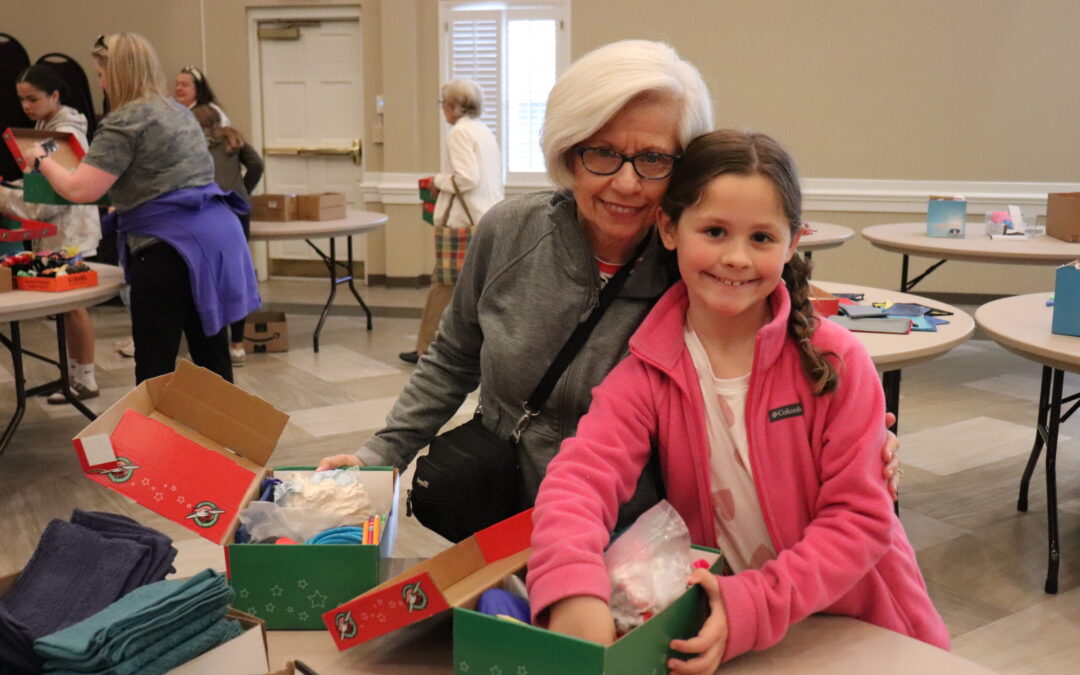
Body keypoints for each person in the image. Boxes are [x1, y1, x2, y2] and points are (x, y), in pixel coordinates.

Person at [317, 40, 900, 526]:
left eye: (653, 158)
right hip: (495, 504)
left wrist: (857, 438)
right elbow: (452, 357)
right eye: (602, 153)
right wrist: (381, 454)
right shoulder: (509, 232)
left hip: (637, 539)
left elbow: (765, 378)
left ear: (683, 168)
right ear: (570, 153)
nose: (625, 183)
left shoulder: (699, 268)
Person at [527, 130, 949, 672]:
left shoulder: (838, 361)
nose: (735, 257)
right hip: (736, 630)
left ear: (792, 242)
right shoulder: (647, 371)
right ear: (669, 228)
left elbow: (858, 521)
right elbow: (581, 480)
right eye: (715, 231)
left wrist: (756, 602)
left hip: (862, 628)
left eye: (761, 238)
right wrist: (571, 586)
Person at [23, 33, 260, 385]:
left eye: (101, 74)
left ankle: (157, 425)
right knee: (211, 357)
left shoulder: (125, 121)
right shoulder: (178, 112)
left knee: (155, 365)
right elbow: (161, 177)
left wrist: (41, 159)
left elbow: (80, 189)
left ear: (118, 73)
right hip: (214, 238)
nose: (101, 83)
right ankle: (220, 422)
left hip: (170, 245)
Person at [0, 63, 102, 402]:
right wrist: (14, 188)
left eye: (33, 99)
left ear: (55, 95)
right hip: (59, 228)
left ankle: (85, 378)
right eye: (21, 99)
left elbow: (47, 201)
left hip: (69, 229)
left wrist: (4, 196)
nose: (26, 106)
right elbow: (37, 184)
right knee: (66, 308)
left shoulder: (64, 134)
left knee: (73, 306)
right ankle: (74, 374)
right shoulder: (48, 126)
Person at [399, 79, 503, 365]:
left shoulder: (459, 133)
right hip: (486, 215)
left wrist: (437, 181)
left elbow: (466, 178)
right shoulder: (483, 131)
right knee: (478, 287)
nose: (442, 109)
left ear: (454, 107)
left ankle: (426, 347)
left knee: (443, 285)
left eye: (444, 103)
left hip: (462, 221)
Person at [192, 104, 264, 367]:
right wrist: (242, 190)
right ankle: (238, 345)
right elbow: (257, 164)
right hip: (237, 211)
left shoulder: (193, 145)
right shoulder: (233, 138)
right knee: (236, 275)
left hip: (208, 209)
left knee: (209, 276)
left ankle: (213, 339)